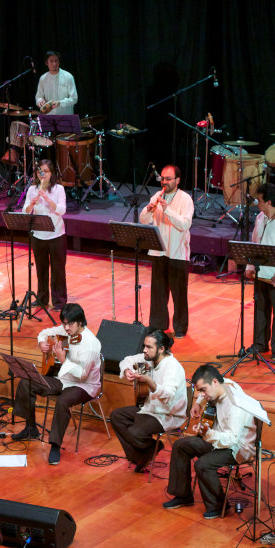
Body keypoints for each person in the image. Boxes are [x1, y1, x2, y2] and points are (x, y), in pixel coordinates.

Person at [163, 365, 258, 519]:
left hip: (237, 448)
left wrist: (209, 433)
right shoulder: (220, 384)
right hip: (218, 439)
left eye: (203, 390)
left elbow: (231, 439)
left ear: (214, 382)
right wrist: (198, 403)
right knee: (181, 445)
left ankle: (219, 506)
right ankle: (183, 495)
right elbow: (208, 387)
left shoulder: (234, 404)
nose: (202, 394)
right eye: (199, 391)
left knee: (203, 464)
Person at [11, 303, 101, 465]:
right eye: (64, 323)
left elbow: (82, 375)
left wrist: (63, 360)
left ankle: (55, 445)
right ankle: (30, 428)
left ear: (80, 322)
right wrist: (41, 343)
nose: (66, 328)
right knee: (26, 382)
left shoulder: (91, 344)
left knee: (63, 401)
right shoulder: (66, 330)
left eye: (70, 324)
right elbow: (44, 332)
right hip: (63, 379)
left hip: (85, 386)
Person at [110, 330, 187, 473]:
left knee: (134, 432)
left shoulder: (172, 367)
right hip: (149, 409)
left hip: (167, 414)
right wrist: (127, 370)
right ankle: (141, 455)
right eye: (144, 346)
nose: (144, 350)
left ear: (161, 349)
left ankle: (151, 448)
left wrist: (151, 383)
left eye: (149, 347)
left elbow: (168, 396)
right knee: (117, 416)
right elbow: (126, 360)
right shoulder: (148, 357)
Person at [139, 165, 193, 337]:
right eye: (162, 178)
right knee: (158, 293)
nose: (164, 182)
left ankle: (180, 328)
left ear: (177, 180)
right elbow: (143, 220)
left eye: (168, 179)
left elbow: (184, 224)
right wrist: (148, 210)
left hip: (178, 253)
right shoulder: (157, 196)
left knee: (179, 294)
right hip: (159, 252)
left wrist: (167, 209)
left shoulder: (185, 199)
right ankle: (158, 325)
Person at [23, 159, 67, 311]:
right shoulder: (32, 189)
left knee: (58, 270)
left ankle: (59, 302)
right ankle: (42, 299)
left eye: (45, 171)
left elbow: (62, 210)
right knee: (41, 269)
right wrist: (31, 204)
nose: (42, 175)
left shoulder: (59, 189)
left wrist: (47, 199)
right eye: (39, 172)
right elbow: (25, 211)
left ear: (51, 173)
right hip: (38, 234)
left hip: (56, 235)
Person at [247, 183, 275, 353]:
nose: (257, 203)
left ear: (269, 202)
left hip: (273, 277)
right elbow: (254, 243)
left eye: (260, 200)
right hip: (260, 274)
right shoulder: (259, 218)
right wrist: (249, 266)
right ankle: (259, 345)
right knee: (260, 311)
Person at [35, 51, 78, 115]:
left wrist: (60, 103)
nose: (54, 63)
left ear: (59, 62)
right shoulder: (43, 78)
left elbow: (74, 98)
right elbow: (39, 96)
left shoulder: (68, 77)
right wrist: (40, 101)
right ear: (46, 63)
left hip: (65, 115)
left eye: (56, 61)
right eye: (51, 61)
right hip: (48, 116)